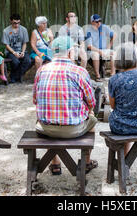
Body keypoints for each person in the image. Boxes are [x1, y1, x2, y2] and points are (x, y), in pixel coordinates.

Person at [33, 36, 98, 175]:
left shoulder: (41, 71)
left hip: (45, 129)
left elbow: (35, 100)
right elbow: (92, 102)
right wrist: (89, 111)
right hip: (73, 129)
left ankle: (55, 163)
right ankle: (86, 162)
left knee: (42, 115)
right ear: (69, 53)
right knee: (92, 120)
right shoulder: (79, 71)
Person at [85, 14, 116, 82]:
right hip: (93, 50)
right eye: (97, 21)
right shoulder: (88, 31)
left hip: (103, 50)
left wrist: (109, 46)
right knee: (96, 55)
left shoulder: (104, 27)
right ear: (92, 22)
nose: (99, 23)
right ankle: (98, 76)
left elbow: (114, 35)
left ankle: (112, 75)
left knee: (114, 53)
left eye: (100, 21)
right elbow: (89, 46)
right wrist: (99, 51)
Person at [2, 14, 32, 83]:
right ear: (11, 21)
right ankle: (17, 76)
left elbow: (25, 43)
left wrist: (23, 52)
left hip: (21, 50)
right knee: (15, 62)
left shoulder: (24, 30)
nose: (17, 25)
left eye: (18, 23)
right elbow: (7, 45)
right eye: (15, 23)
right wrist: (14, 53)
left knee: (28, 61)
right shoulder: (6, 31)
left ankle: (14, 76)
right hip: (10, 51)